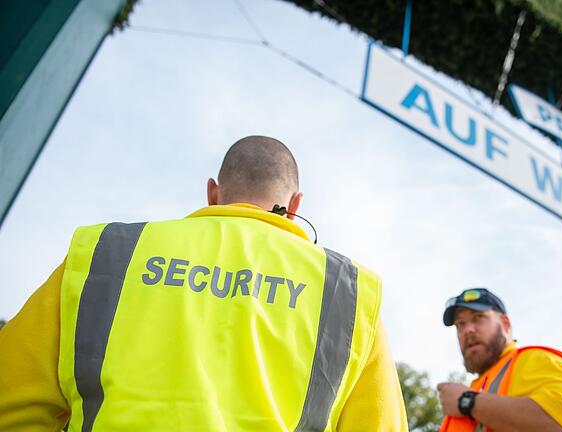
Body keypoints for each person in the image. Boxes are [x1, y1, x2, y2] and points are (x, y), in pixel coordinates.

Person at [0, 136, 407, 431]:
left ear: (213, 193)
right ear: (296, 206)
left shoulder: (105, 252)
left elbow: (11, 402)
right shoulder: (347, 293)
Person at [437, 288, 562, 432]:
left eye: (478, 318)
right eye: (460, 324)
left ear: (506, 324)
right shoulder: (478, 386)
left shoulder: (535, 360)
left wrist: (466, 401)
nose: (468, 330)